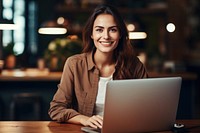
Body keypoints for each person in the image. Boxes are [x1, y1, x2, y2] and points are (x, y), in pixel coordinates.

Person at [48, 4, 148, 129]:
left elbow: (147, 109)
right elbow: (56, 109)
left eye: (113, 30)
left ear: (120, 34)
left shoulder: (135, 65)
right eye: (99, 30)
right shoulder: (74, 64)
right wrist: (84, 120)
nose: (106, 36)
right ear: (91, 34)